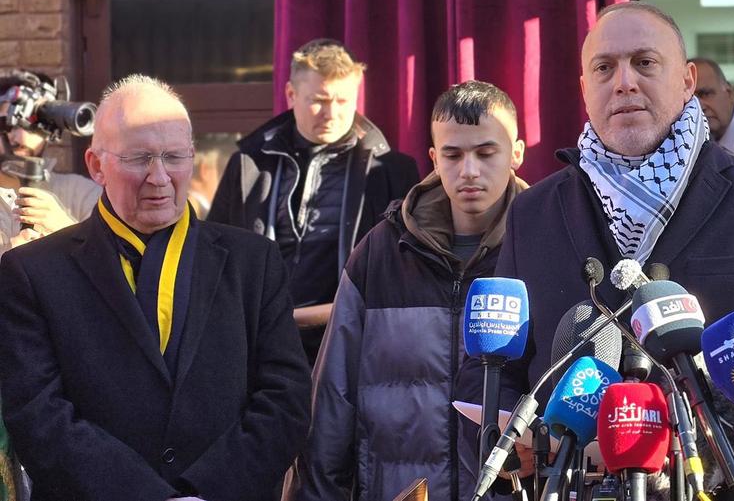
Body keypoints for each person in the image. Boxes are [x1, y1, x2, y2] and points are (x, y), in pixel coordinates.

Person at [481, 1, 734, 439]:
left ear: (687, 82)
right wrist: (524, 441)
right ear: (585, 88)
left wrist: (721, 437)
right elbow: (494, 372)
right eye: (605, 69)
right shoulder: (533, 214)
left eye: (644, 63)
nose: (625, 83)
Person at [0, 74, 311, 501]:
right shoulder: (31, 271)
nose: (160, 177)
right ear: (96, 166)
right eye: (139, 158)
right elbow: (38, 413)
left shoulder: (253, 263)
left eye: (173, 156)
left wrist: (203, 493)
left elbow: (285, 400)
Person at [289, 81, 527, 501]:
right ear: (434, 159)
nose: (469, 170)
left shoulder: (544, 246)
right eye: (453, 154)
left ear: (517, 154)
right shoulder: (380, 252)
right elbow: (331, 400)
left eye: (486, 152)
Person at [208, 39, 419, 362]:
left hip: (352, 347)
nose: (332, 113)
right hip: (259, 346)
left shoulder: (392, 172)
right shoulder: (248, 165)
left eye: (343, 100)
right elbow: (215, 257)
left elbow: (402, 274)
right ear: (291, 95)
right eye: (319, 100)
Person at [0, 70, 101, 251]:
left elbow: (113, 266)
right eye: (10, 123)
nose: (18, 135)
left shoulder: (81, 194)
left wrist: (65, 229)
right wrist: (7, 256)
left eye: (31, 125)